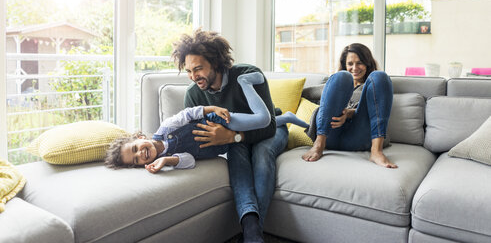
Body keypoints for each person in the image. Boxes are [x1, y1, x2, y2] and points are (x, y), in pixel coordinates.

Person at [172, 29, 290, 243]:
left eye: (198, 68)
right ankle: (252, 233)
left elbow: (270, 125)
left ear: (215, 63)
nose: (193, 76)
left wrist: (233, 137)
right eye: (188, 70)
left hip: (273, 129)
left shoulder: (248, 74)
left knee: (262, 155)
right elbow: (202, 135)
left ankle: (252, 233)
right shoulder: (193, 94)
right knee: (236, 156)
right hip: (235, 140)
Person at [105, 72, 307, 173]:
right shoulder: (169, 156)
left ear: (140, 138)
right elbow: (190, 161)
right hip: (225, 141)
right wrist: (167, 161)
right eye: (136, 160)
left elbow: (189, 113)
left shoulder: (165, 128)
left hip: (218, 120)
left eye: (135, 149)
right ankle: (286, 117)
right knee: (261, 123)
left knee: (263, 119)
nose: (140, 154)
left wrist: (212, 109)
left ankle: (245, 82)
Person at [302, 43, 397, 168]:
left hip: (359, 136)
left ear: (367, 63)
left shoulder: (373, 86)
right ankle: (318, 145)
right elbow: (304, 93)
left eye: (359, 63)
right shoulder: (337, 83)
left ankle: (376, 152)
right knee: (342, 76)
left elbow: (378, 106)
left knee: (380, 76)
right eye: (350, 64)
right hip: (330, 134)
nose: (355, 68)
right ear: (345, 65)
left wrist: (349, 113)